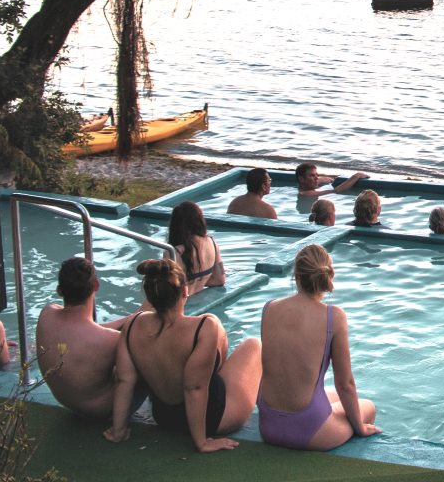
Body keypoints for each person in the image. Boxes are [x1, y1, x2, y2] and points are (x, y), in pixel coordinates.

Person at [104, 259, 262, 452]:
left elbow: (124, 380)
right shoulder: (203, 328)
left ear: (150, 296)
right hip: (213, 419)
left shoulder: (132, 325)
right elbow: (194, 388)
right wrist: (201, 442)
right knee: (254, 345)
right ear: (185, 291)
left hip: (165, 418)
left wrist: (118, 430)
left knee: (212, 323)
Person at [257, 245, 380, 450]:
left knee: (331, 395)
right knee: (368, 406)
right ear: (328, 275)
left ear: (296, 275)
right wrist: (359, 427)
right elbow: (345, 384)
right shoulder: (334, 317)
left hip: (268, 426)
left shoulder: (269, 308)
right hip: (309, 432)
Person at [36, 258, 130, 419]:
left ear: (59, 290)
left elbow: (86, 331)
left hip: (67, 401)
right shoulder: (111, 340)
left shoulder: (46, 314)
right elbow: (127, 378)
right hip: (102, 409)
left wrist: (129, 319)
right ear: (96, 285)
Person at [169, 201, 225, 296]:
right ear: (199, 220)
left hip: (180, 302)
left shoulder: (173, 252)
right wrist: (200, 281)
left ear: (175, 225)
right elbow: (220, 279)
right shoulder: (212, 243)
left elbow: (170, 291)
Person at [296, 163, 368, 200]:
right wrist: (356, 176)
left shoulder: (306, 186)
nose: (316, 178)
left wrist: (332, 180)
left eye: (316, 175)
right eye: (312, 175)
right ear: (301, 179)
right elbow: (336, 191)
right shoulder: (306, 194)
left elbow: (325, 179)